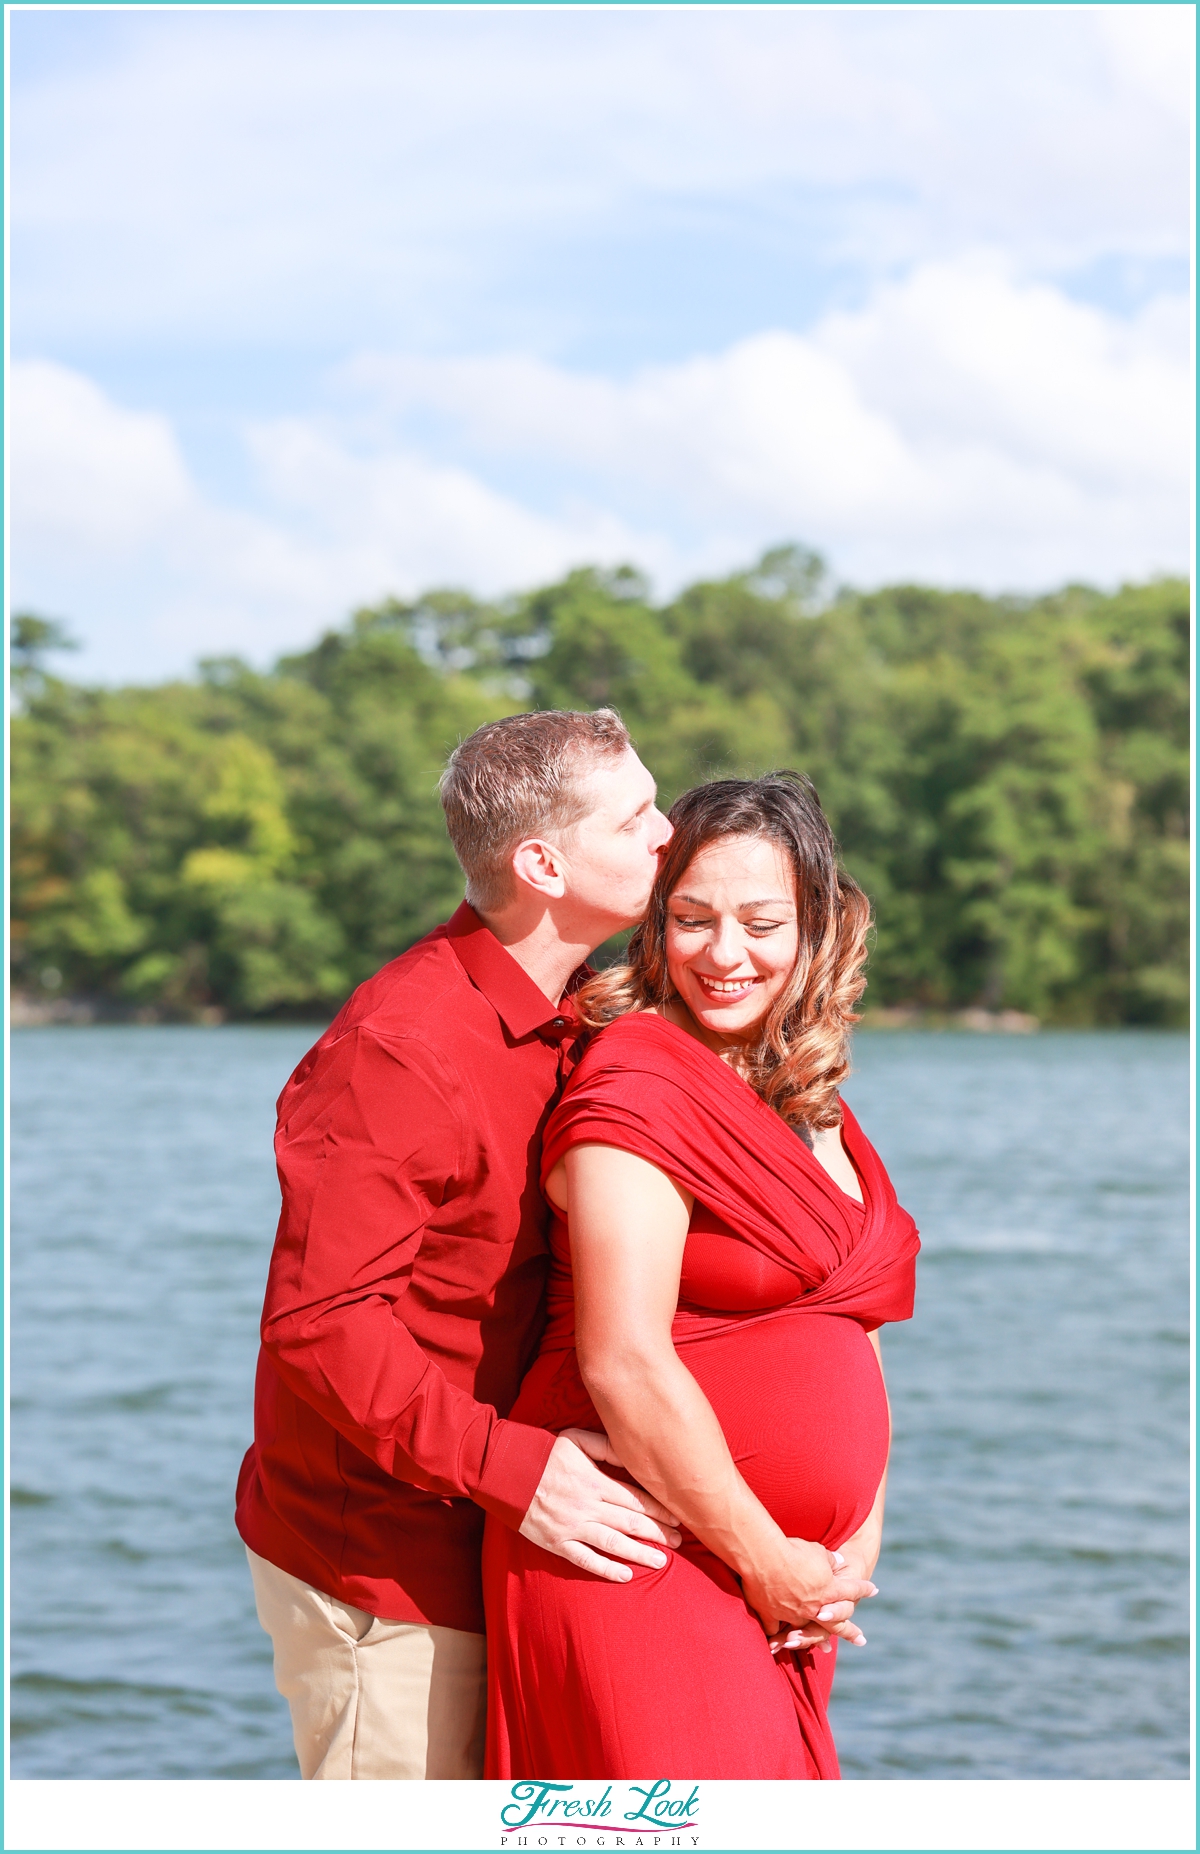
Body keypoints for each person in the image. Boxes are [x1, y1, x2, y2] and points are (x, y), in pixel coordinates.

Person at [235, 707, 682, 1781]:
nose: (667, 832)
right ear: (543, 862)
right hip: (386, 1582)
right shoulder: (396, 1050)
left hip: (493, 1547)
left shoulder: (574, 1013)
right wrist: (521, 1470)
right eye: (636, 818)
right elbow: (324, 1325)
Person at [483, 771, 921, 1779]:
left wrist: (858, 1544)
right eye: (692, 919)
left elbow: (852, 1328)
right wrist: (772, 1561)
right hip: (639, 1553)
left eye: (762, 922)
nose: (726, 955)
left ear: (817, 925)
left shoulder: (808, 1093)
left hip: (782, 1587)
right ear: (654, 924)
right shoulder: (637, 1079)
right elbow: (625, 1363)